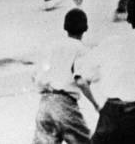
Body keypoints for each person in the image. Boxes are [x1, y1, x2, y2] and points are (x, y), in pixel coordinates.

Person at [74, 0, 135, 143]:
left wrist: (95, 101)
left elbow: (81, 74)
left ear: (128, 19)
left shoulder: (110, 43)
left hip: (109, 115)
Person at [32, 8, 98, 144]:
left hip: (45, 103)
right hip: (65, 104)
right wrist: (96, 104)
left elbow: (36, 75)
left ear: (65, 27)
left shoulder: (51, 46)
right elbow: (80, 80)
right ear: (85, 28)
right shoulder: (81, 50)